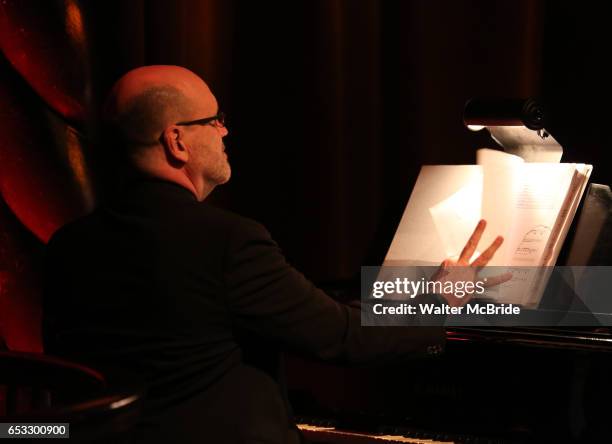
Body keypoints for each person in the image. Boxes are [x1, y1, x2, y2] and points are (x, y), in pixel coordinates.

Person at [42, 65, 503, 443]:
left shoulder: (68, 244)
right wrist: (439, 302)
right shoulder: (227, 241)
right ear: (176, 141)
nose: (225, 130)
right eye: (214, 119)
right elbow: (344, 337)